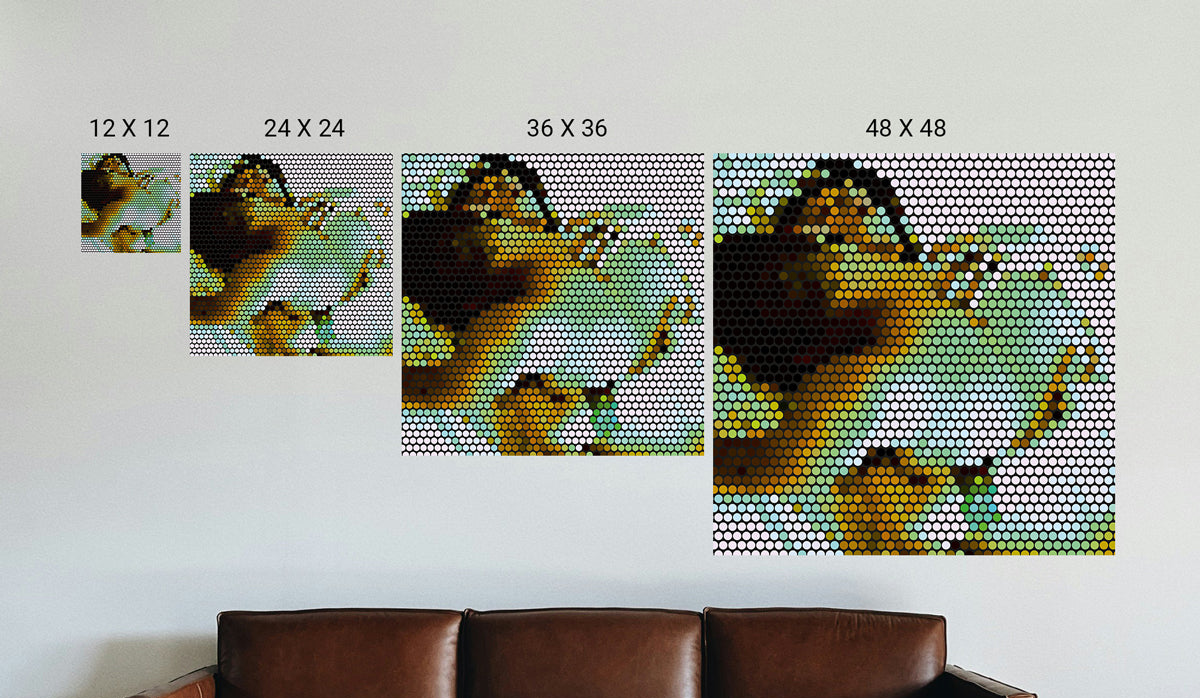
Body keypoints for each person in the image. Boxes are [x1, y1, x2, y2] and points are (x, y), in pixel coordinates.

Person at [714, 157, 1109, 553]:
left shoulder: (970, 284)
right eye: (802, 241)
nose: (828, 220)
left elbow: (773, 473)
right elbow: (775, 474)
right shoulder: (857, 373)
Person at [403, 154, 697, 454]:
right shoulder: (508, 324)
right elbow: (445, 392)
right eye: (482, 211)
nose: (496, 196)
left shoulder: (610, 243)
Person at [189, 155, 388, 355]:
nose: (253, 182)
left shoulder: (291, 233)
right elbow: (221, 313)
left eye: (263, 179)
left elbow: (219, 312)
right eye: (244, 183)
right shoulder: (266, 262)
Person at [81, 154, 180, 252]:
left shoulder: (120, 205)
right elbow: (97, 230)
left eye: (117, 161)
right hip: (165, 218)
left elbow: (94, 230)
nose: (115, 164)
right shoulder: (119, 205)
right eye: (108, 164)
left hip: (168, 212)